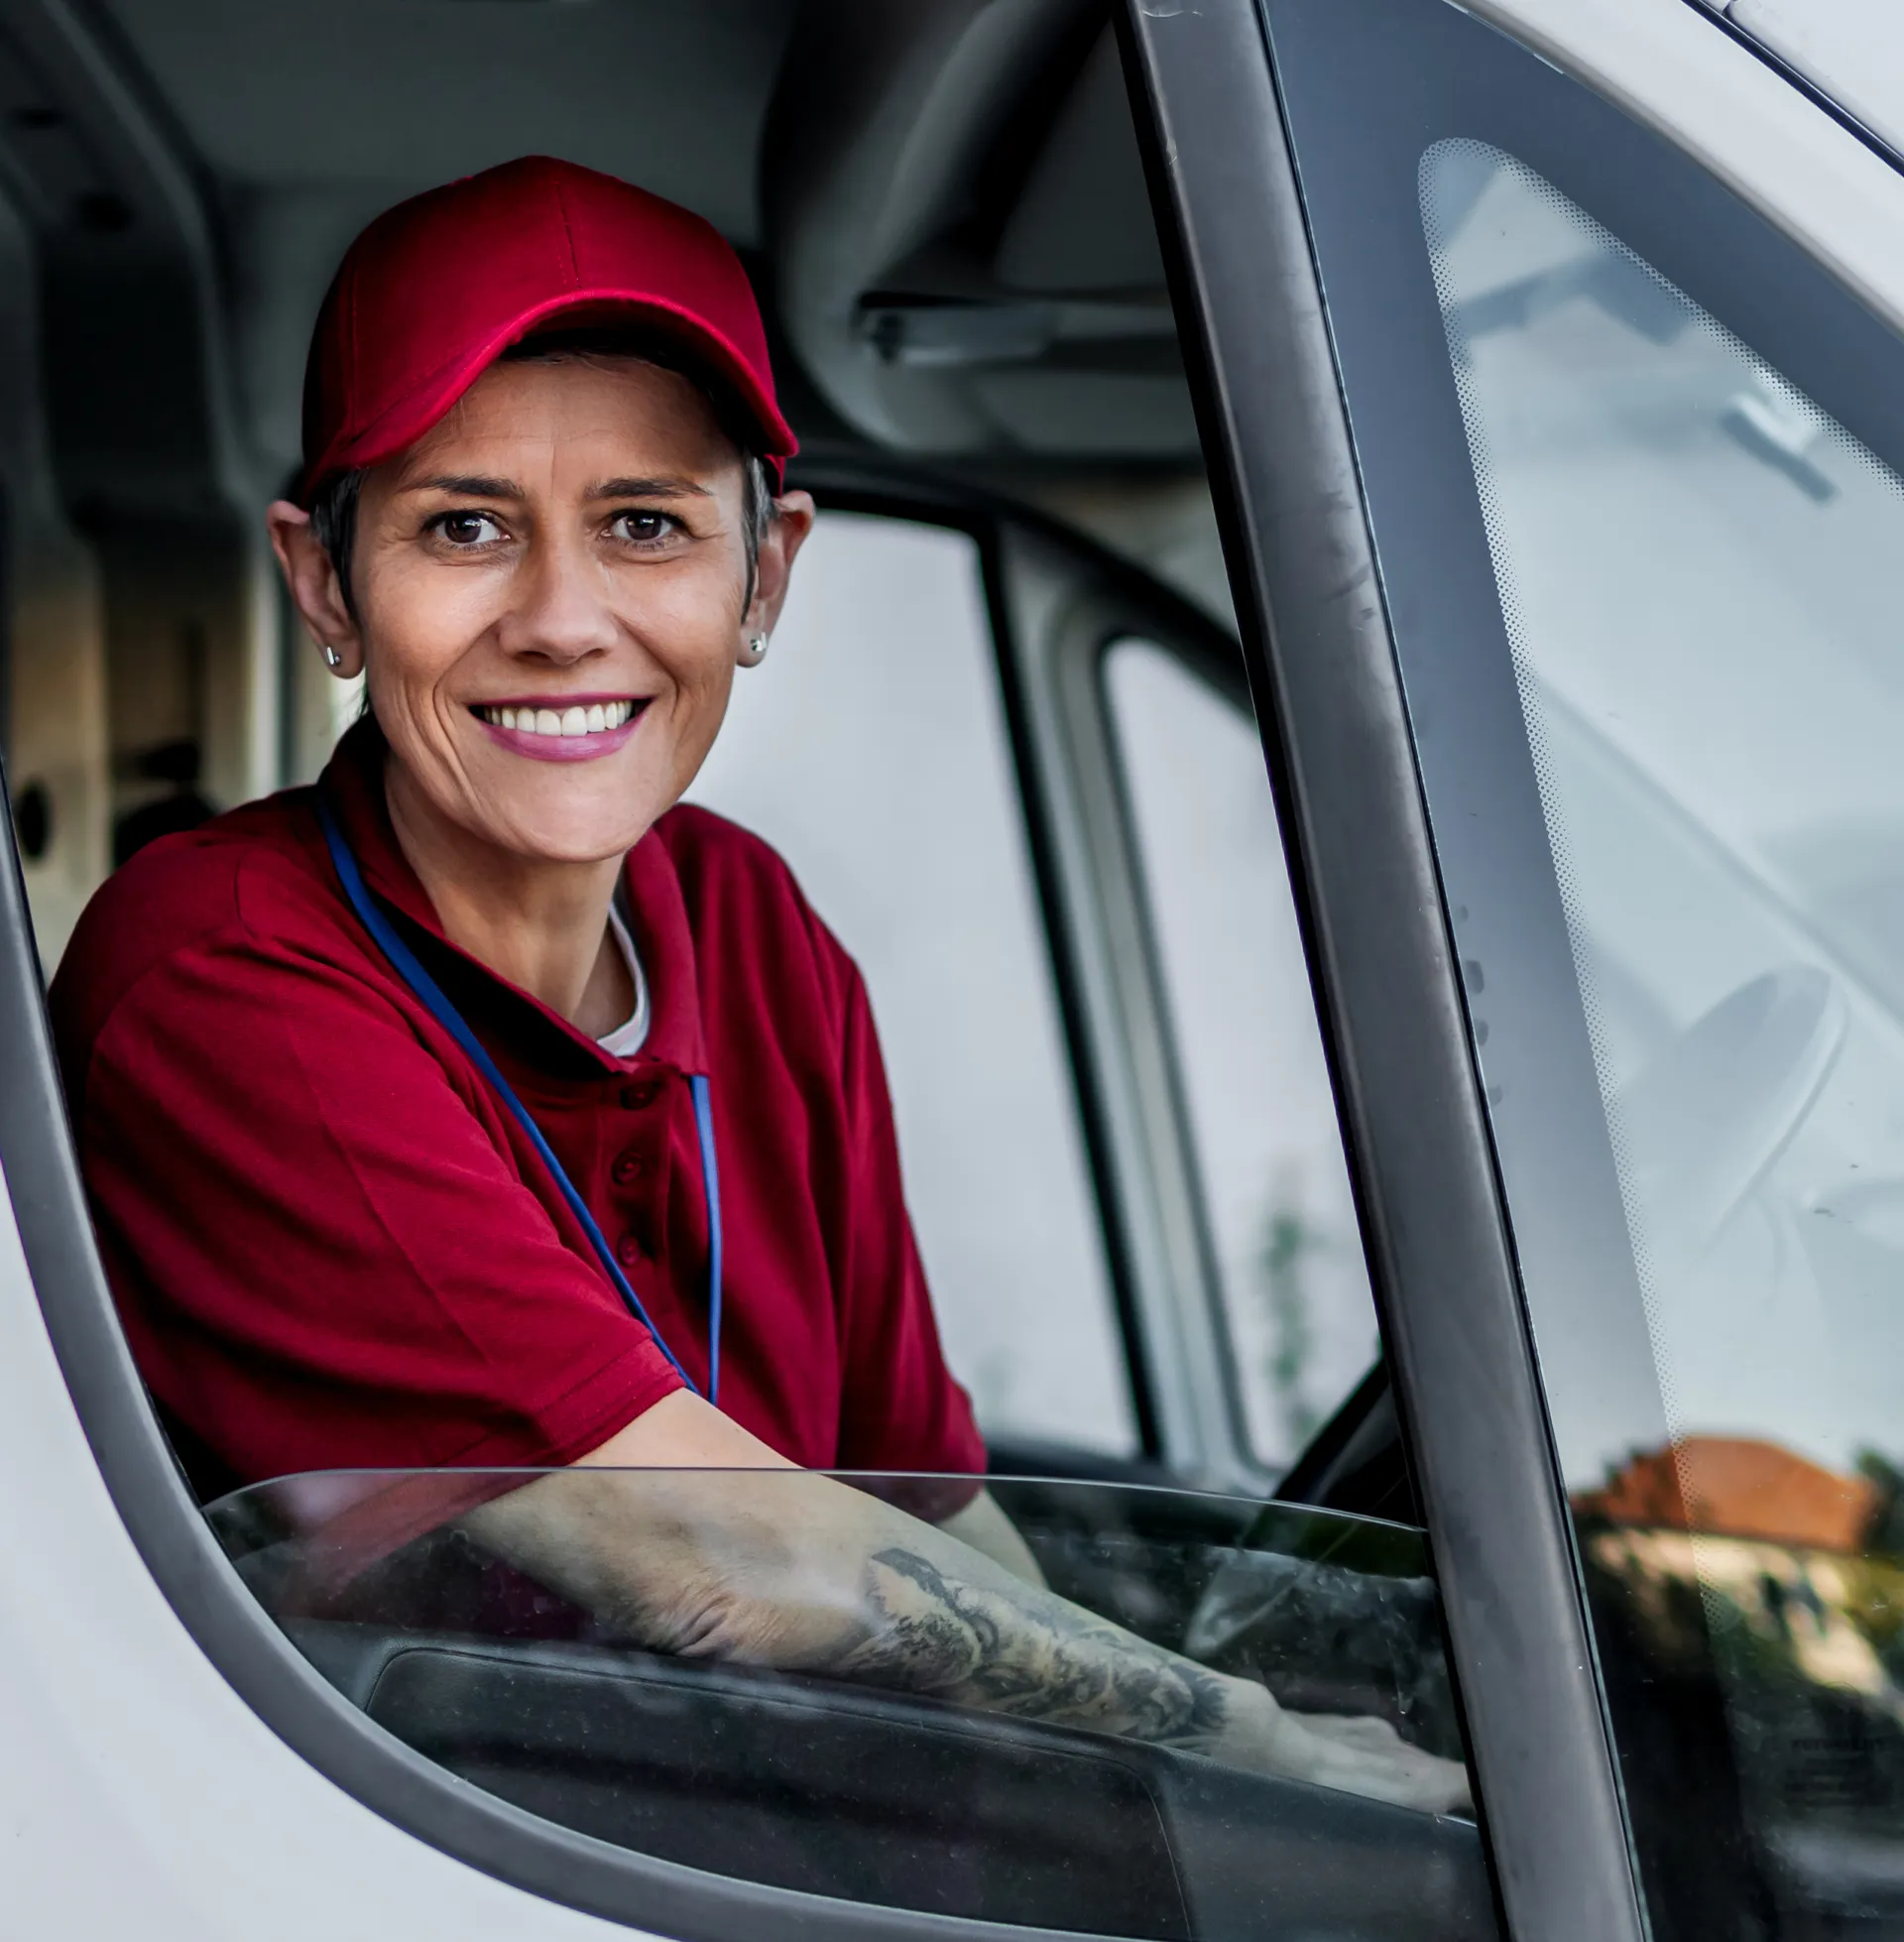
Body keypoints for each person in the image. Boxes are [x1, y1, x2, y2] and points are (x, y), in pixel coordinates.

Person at [50, 156, 1466, 1813]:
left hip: (745, 1838)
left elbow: (934, 1517)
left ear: (766, 574)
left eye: (645, 524)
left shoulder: (751, 922)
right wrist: (1255, 1748)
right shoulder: (221, 973)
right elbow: (700, 1550)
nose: (563, 621)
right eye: (463, 526)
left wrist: (1178, 1798)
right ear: (325, 585)